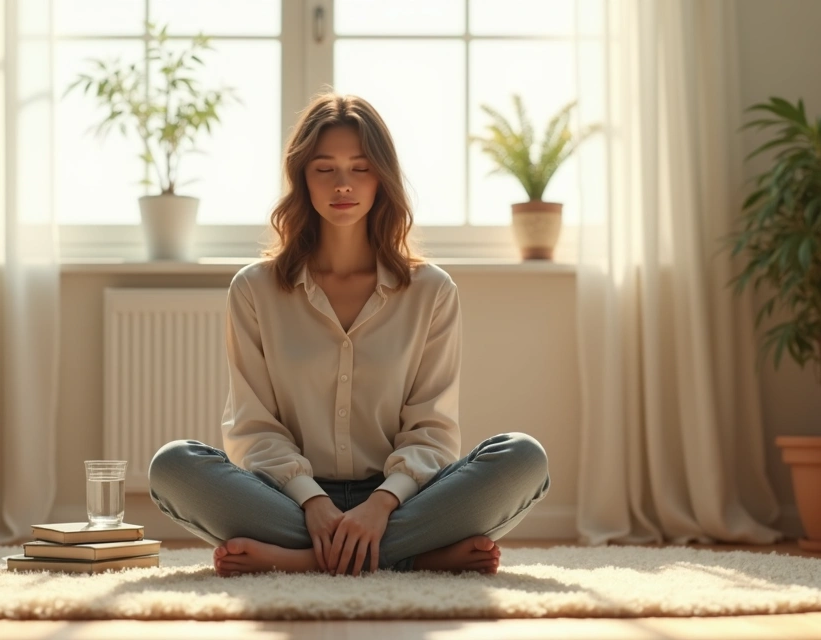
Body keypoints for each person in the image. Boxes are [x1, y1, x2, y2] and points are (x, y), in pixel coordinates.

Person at [148, 92, 550, 577]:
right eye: (325, 169)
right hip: (289, 500)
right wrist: (313, 502)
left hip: (400, 497)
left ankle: (306, 560)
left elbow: (432, 429)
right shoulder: (253, 289)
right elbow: (254, 428)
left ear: (381, 177)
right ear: (302, 178)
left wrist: (380, 506)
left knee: (523, 458)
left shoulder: (432, 291)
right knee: (173, 466)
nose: (343, 184)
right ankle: (411, 557)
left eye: (359, 168)